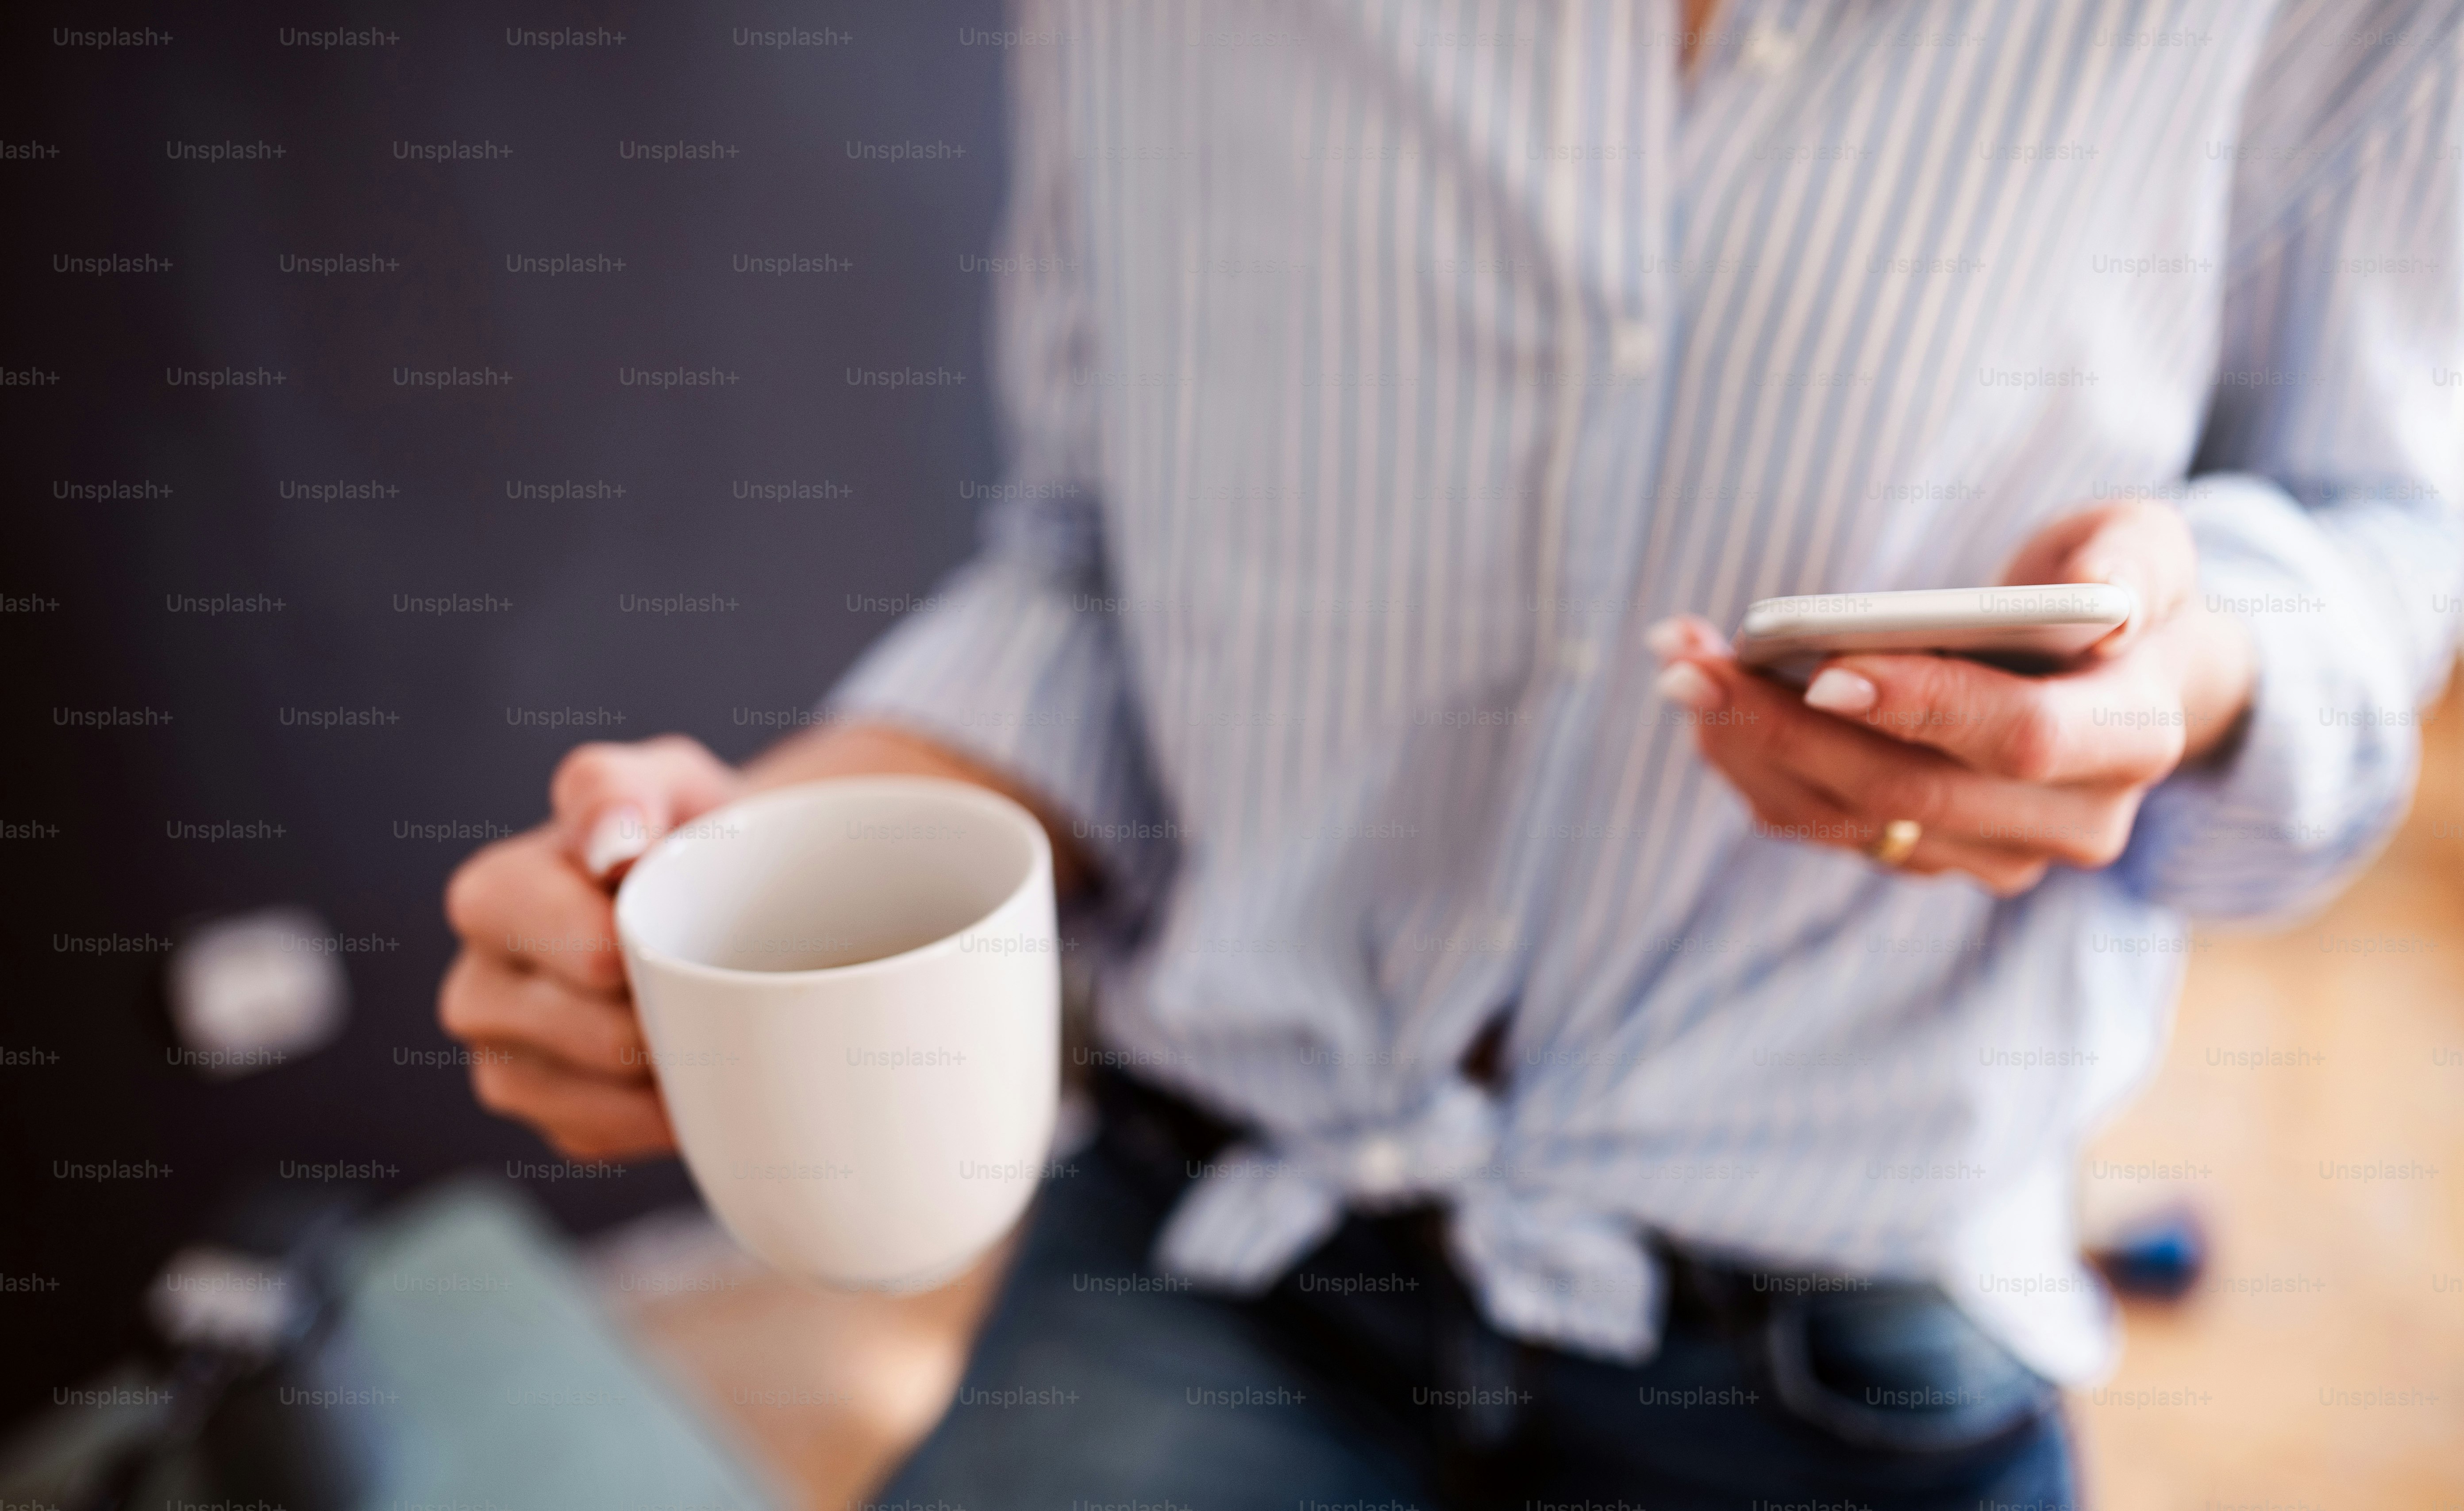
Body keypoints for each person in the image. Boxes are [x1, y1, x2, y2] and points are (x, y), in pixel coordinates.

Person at [438, 2, 2464, 1505]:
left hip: (1843, 1314)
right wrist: (732, 888)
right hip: (1230, 1226)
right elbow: (1083, 567)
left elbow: (2382, 540)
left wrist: (2184, 674)